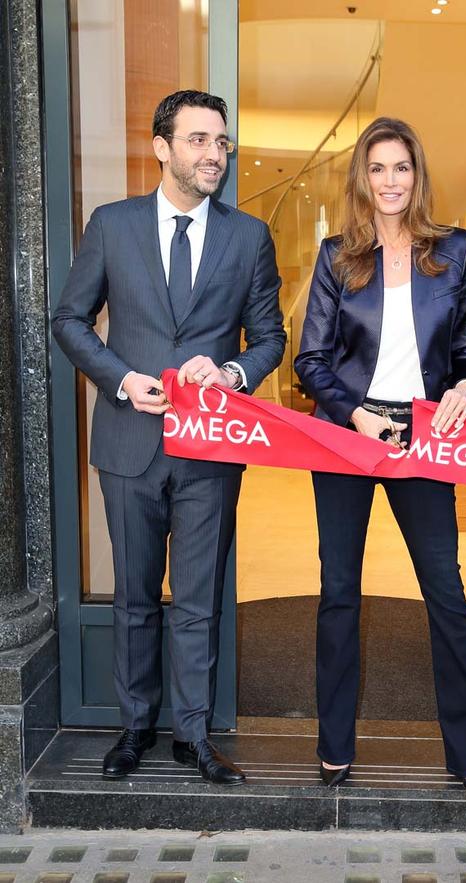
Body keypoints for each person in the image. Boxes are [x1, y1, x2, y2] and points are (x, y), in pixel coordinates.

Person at [53, 90, 285, 786]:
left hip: (210, 445)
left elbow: (270, 336)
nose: (214, 153)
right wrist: (122, 378)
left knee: (198, 595)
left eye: (222, 142)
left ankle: (193, 733)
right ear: (161, 147)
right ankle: (135, 726)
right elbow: (69, 319)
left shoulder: (249, 237)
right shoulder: (113, 225)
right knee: (132, 594)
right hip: (130, 441)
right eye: (198, 140)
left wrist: (234, 370)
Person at [294, 117, 466, 797]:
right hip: (348, 434)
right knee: (339, 593)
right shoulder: (335, 256)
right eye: (377, 168)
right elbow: (310, 359)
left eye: (401, 168)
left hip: (426, 434)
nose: (390, 181)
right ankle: (334, 746)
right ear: (363, 178)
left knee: (446, 590)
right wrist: (355, 413)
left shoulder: (456, 251)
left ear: (418, 175)